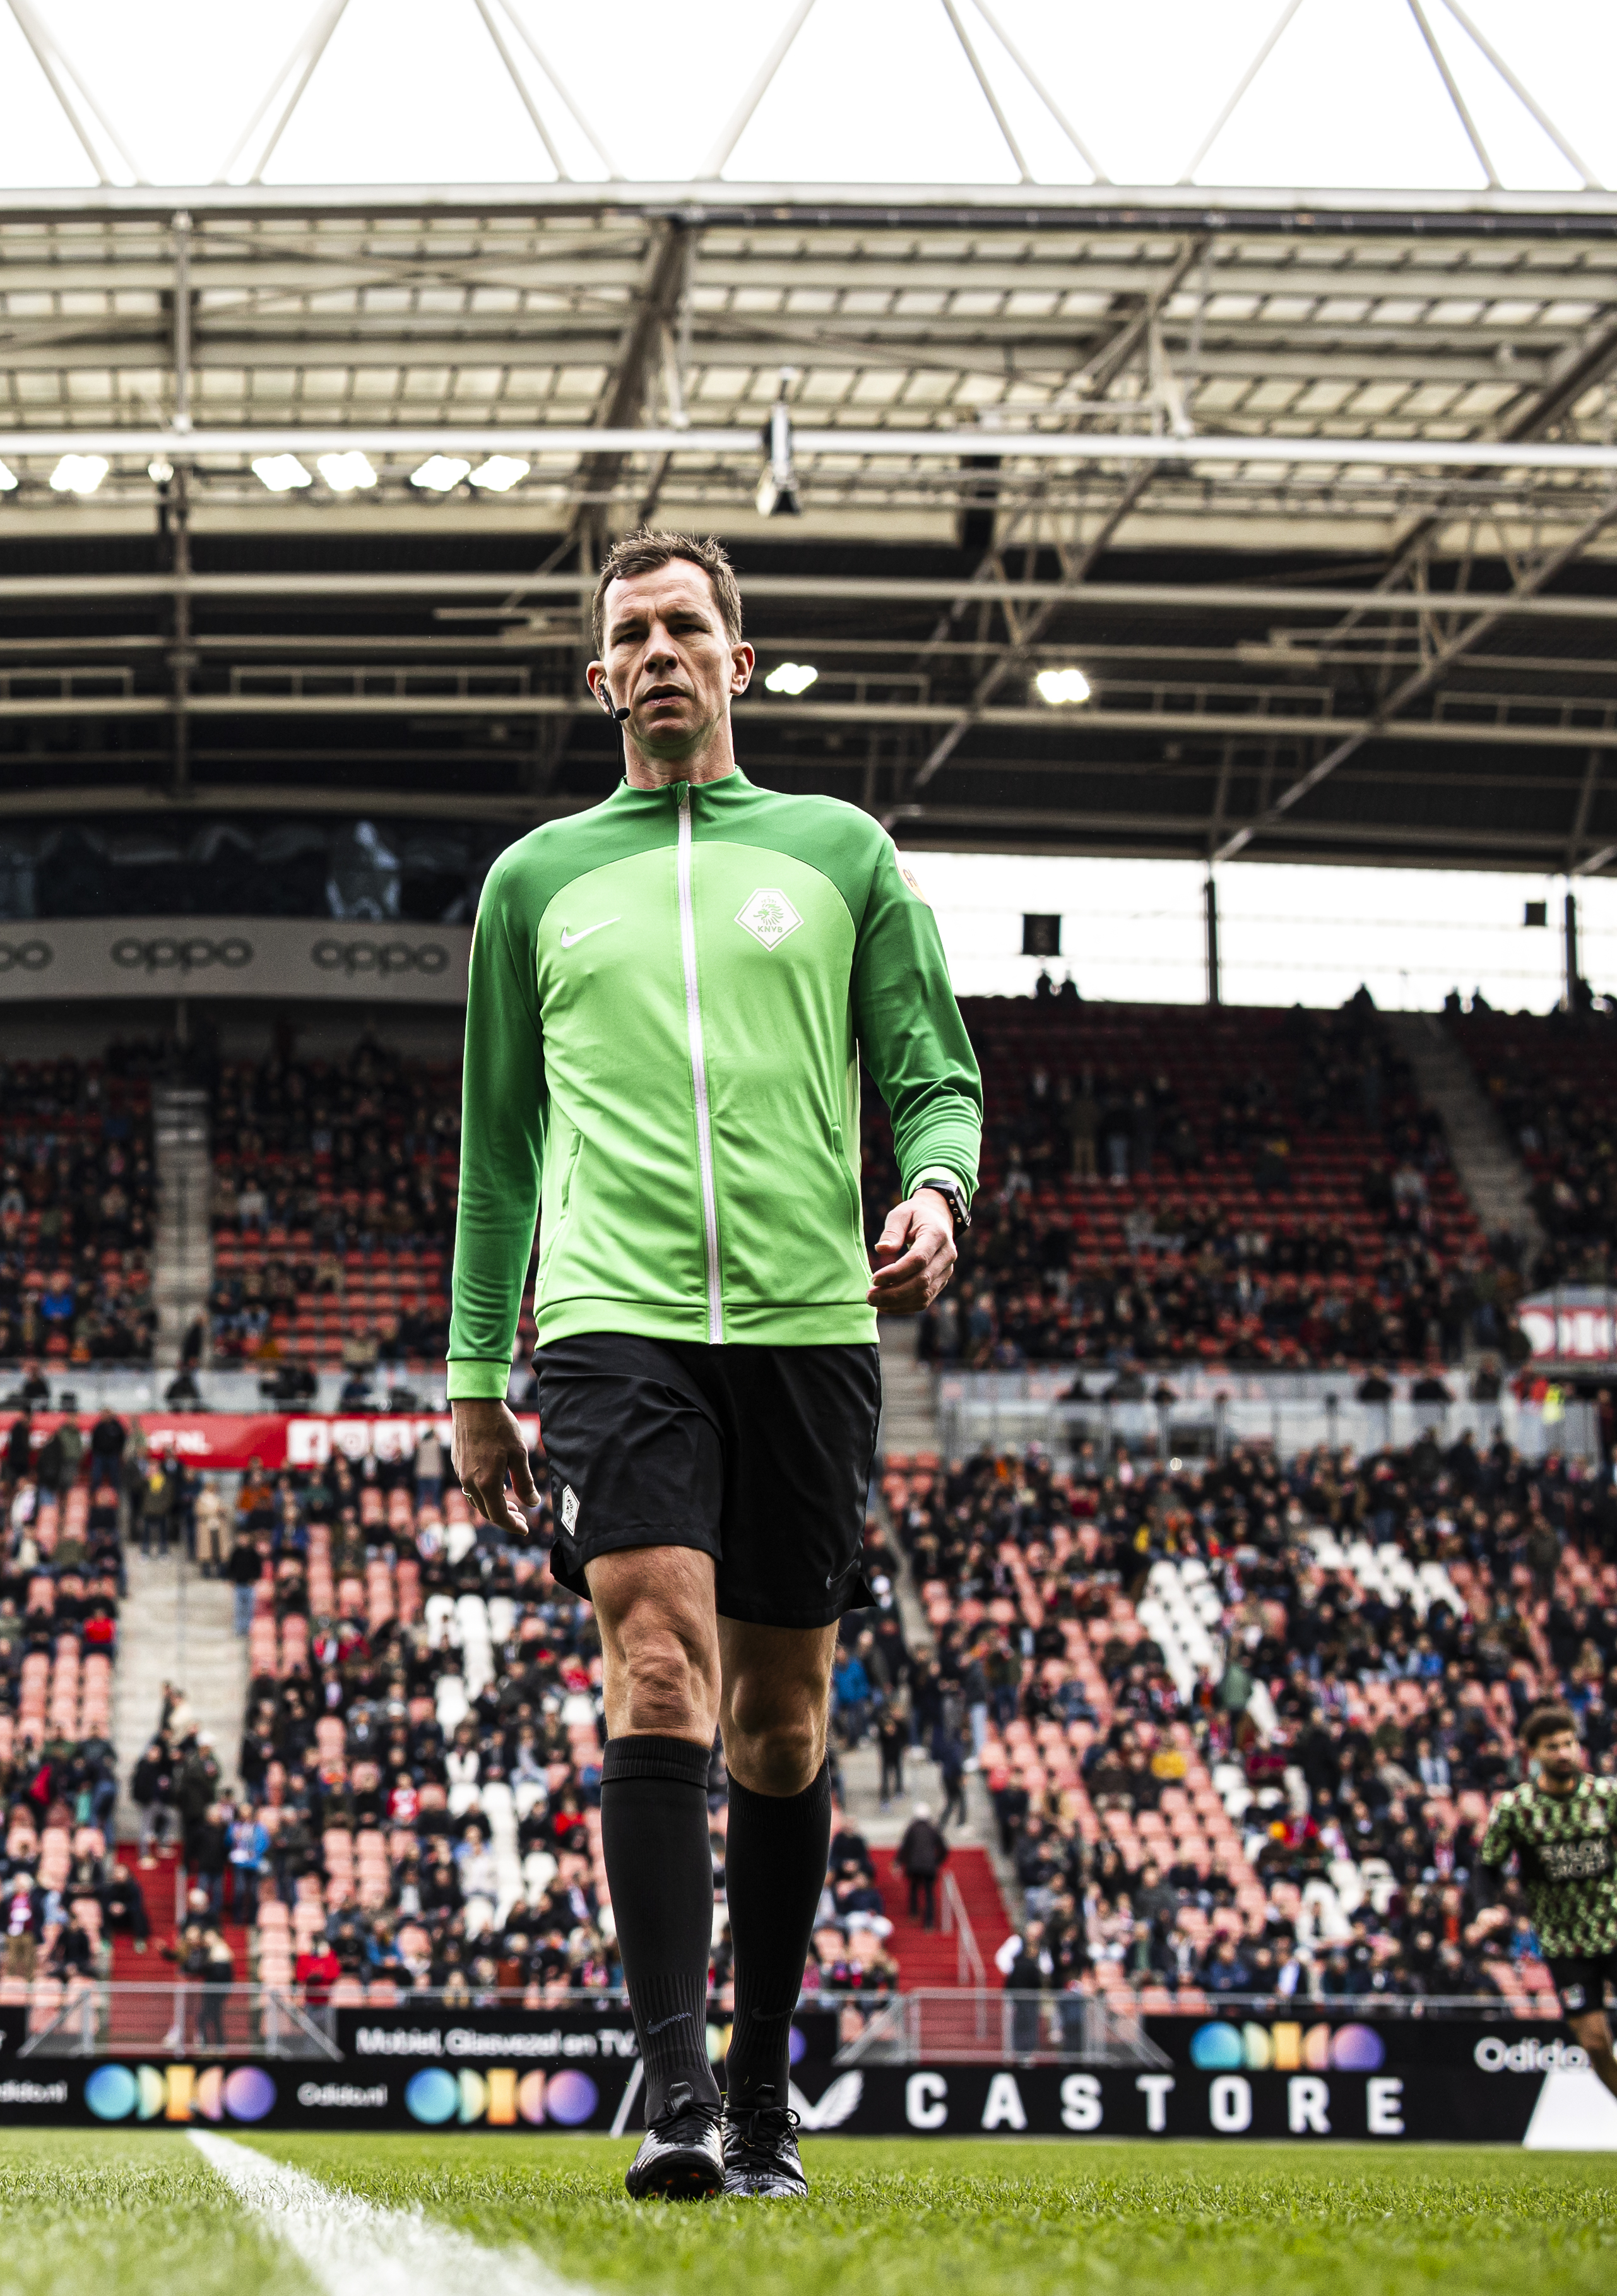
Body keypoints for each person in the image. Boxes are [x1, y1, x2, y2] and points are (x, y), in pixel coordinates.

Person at [447, 530, 980, 2204]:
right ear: (597, 679)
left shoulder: (839, 853)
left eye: (688, 627)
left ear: (737, 664)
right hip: (611, 1320)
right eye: (631, 635)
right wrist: (475, 1370)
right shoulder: (530, 879)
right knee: (653, 1661)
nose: (660, 652)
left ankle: (760, 2093)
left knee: (779, 1717)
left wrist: (935, 1187)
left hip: (810, 1324)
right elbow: (493, 1150)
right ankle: (672, 2088)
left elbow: (932, 1072)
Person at [1479, 1704, 1617, 2103]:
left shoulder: (1605, 1797)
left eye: (1569, 1744)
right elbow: (1487, 1865)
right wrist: (1487, 1905)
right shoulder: (1517, 1809)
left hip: (1613, 1927)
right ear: (1533, 1754)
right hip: (1564, 1941)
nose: (1563, 1753)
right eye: (1553, 1746)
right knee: (1593, 2042)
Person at [897, 1802, 948, 1930]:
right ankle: (929, 1923)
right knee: (929, 1894)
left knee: (914, 1889)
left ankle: (914, 1912)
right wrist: (937, 1861)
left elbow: (905, 1847)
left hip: (914, 1866)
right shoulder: (933, 1829)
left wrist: (900, 1862)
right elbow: (944, 1849)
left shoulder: (912, 1829)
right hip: (929, 1866)